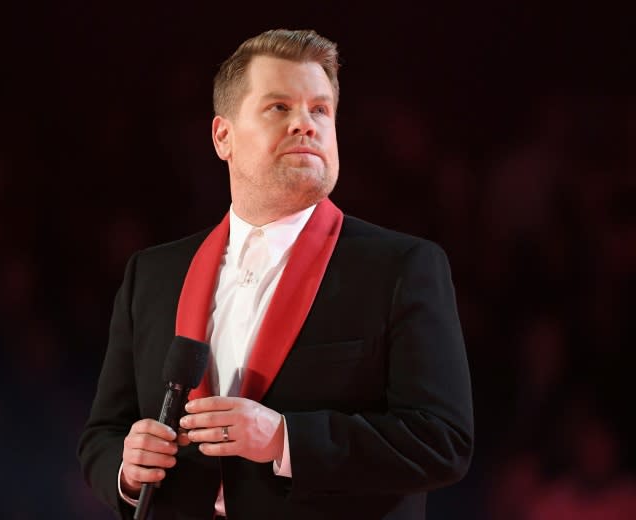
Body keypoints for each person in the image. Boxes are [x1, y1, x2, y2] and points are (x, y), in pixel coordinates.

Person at [78, 28, 474, 520]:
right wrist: (127, 470)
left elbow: (442, 442)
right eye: (279, 108)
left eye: (320, 110)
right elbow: (103, 434)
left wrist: (287, 439)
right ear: (223, 136)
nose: (305, 124)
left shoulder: (402, 268)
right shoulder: (153, 274)